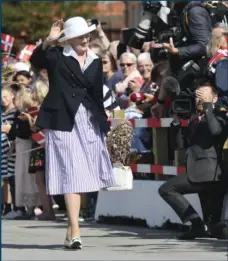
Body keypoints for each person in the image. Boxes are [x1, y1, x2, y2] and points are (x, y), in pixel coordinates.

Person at [30, 17, 115, 250]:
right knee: (71, 171)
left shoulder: (96, 61)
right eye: (80, 36)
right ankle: (76, 230)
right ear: (69, 39)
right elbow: (35, 60)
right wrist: (49, 40)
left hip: (88, 122)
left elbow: (97, 95)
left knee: (82, 176)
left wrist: (103, 123)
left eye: (87, 35)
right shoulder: (57, 56)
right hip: (62, 121)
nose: (85, 39)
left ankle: (70, 231)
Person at [158, 79, 228, 240]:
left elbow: (216, 132)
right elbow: (178, 145)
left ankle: (196, 225)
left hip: (210, 172)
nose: (199, 100)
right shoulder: (194, 119)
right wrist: (176, 122)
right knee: (217, 229)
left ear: (215, 98)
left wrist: (209, 107)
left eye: (203, 96)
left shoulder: (220, 115)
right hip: (198, 171)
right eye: (197, 96)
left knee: (167, 189)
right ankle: (199, 227)